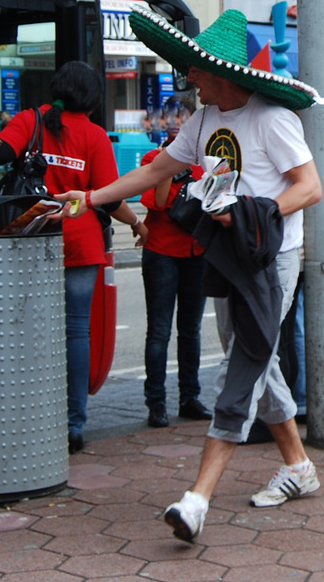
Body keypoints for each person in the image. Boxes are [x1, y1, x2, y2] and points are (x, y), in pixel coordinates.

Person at [52, 8, 324, 541]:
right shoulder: (203, 122)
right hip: (229, 256)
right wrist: (88, 198)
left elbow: (309, 187)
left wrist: (251, 212)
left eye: (195, 70)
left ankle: (197, 499)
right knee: (254, 357)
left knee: (241, 367)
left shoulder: (273, 118)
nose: (188, 78)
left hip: (272, 261)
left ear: (220, 73)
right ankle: (298, 465)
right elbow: (154, 171)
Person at [0, 60, 147, 455]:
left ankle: (27, 416)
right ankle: (74, 424)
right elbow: (109, 199)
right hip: (80, 244)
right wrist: (138, 225)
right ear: (93, 99)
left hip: (30, 241)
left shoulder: (32, 120)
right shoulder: (94, 136)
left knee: (26, 331)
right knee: (76, 332)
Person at [140, 96, 212, 428]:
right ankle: (156, 402)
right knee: (159, 330)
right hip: (161, 252)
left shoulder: (207, 161)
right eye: (171, 117)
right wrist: (170, 161)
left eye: (183, 117)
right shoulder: (154, 158)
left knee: (191, 330)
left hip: (196, 252)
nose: (176, 122)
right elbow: (155, 202)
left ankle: (190, 397)